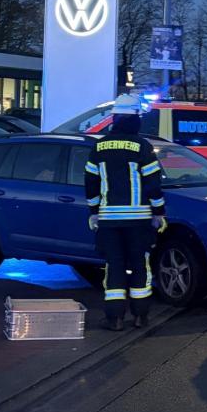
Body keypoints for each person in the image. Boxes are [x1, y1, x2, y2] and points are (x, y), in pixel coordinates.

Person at [85, 94, 167, 331]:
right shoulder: (143, 146)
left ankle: (115, 319)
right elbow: (153, 184)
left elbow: (91, 183)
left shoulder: (99, 146)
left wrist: (94, 211)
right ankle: (140, 316)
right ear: (135, 119)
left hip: (109, 220)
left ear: (114, 118)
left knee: (114, 266)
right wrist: (158, 212)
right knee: (140, 265)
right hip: (139, 220)